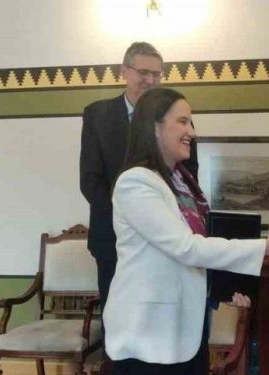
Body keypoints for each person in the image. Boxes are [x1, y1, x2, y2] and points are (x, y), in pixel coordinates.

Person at [103, 87, 269, 375]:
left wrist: (231, 286)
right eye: (182, 121)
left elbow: (201, 247)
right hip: (148, 336)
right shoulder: (136, 183)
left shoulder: (182, 182)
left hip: (188, 329)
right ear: (155, 127)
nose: (192, 132)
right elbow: (187, 248)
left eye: (191, 122)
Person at [80, 42, 197, 312]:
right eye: (143, 72)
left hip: (168, 235)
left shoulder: (177, 117)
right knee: (117, 313)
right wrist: (131, 216)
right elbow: (90, 180)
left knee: (163, 314)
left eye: (157, 74)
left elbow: (189, 175)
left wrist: (160, 219)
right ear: (124, 71)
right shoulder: (97, 115)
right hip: (111, 238)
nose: (150, 80)